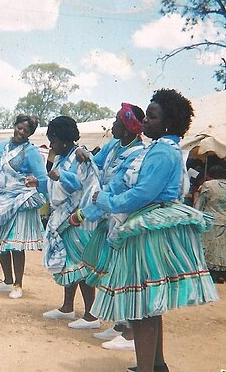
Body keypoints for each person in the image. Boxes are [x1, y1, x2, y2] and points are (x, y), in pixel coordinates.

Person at [72, 89, 218, 372]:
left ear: (167, 123)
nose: (145, 122)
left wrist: (106, 201)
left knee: (143, 303)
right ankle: (155, 365)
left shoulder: (163, 151)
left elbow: (142, 193)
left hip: (147, 229)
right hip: (148, 226)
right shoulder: (159, 148)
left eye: (151, 117)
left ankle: (147, 368)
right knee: (149, 302)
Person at [74, 103, 145, 349]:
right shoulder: (114, 146)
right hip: (108, 216)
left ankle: (130, 334)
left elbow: (115, 188)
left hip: (124, 219)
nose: (111, 125)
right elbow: (96, 164)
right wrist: (84, 155)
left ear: (127, 128)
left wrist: (83, 215)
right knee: (110, 272)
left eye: (115, 121)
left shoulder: (137, 154)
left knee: (123, 273)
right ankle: (119, 324)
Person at [0, 114, 47, 299]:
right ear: (14, 126)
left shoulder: (32, 152)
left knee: (15, 245)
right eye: (19, 128)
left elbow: (43, 179)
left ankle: (18, 284)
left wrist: (36, 182)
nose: (21, 132)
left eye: (26, 130)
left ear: (31, 133)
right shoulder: (0, 147)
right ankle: (7, 280)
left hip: (19, 201)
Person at [43, 116, 101, 329]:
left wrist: (61, 176)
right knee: (69, 264)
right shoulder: (62, 156)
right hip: (63, 217)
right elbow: (51, 182)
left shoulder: (81, 156)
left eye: (53, 140)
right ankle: (67, 307)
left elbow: (80, 184)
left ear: (64, 140)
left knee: (82, 266)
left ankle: (91, 315)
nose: (51, 145)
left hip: (78, 219)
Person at [194, 164, 226, 283]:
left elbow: (199, 204)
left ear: (210, 175)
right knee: (223, 248)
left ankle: (212, 274)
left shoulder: (208, 185)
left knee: (211, 249)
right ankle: (222, 273)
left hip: (211, 220)